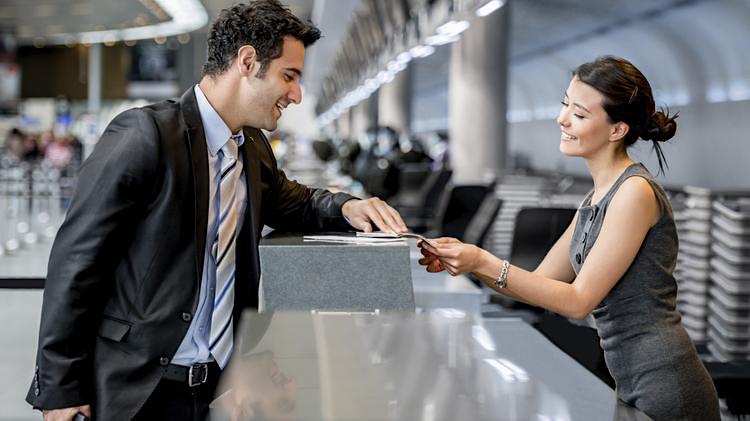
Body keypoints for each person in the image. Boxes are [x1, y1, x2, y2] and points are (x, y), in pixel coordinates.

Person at [27, 2, 407, 420]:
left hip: (212, 390)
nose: (296, 94)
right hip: (135, 390)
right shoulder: (145, 135)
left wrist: (348, 205)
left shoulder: (251, 147)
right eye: (289, 76)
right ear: (247, 61)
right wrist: (60, 386)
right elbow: (77, 262)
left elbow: (292, 200)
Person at [418, 56, 720, 420]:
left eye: (578, 113)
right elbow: (540, 284)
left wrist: (483, 261)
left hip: (666, 384)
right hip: (632, 377)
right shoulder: (596, 197)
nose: (562, 119)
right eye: (565, 105)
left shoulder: (634, 193)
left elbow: (577, 302)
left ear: (616, 130)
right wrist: (468, 260)